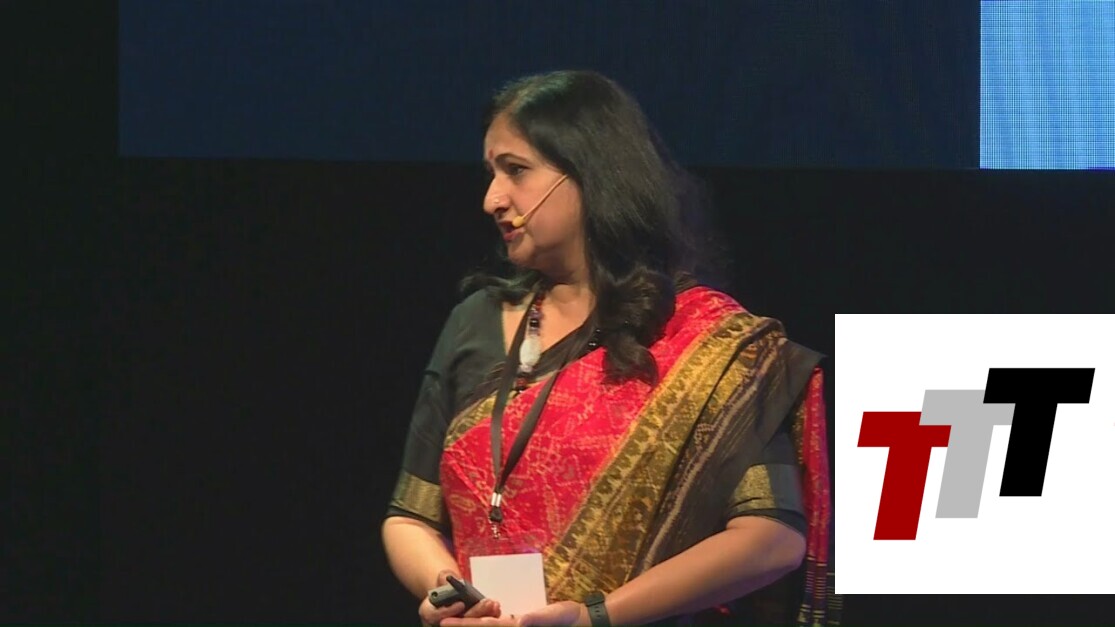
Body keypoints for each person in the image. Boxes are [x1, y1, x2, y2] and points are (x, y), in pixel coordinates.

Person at [382, 70, 836, 626]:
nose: (491, 199)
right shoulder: (474, 323)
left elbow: (772, 537)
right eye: (491, 174)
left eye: (516, 170)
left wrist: (594, 617)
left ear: (588, 173)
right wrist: (447, 591)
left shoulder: (704, 344)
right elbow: (409, 517)